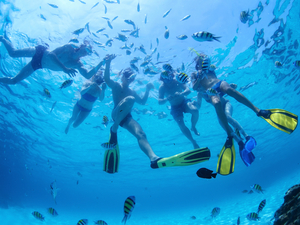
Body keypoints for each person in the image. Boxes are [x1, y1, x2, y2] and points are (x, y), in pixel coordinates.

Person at [191, 54, 298, 175]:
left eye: (202, 58)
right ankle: (239, 141)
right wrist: (199, 77)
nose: (201, 59)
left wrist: (206, 62)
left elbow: (211, 66)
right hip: (212, 92)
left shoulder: (209, 67)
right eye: (199, 59)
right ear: (196, 63)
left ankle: (257, 112)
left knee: (230, 90)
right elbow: (194, 87)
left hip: (219, 85)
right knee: (216, 105)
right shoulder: (195, 74)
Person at [101, 54, 211, 171]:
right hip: (116, 114)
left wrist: (147, 90)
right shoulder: (116, 86)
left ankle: (153, 158)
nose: (129, 79)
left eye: (131, 77)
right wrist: (108, 62)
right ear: (122, 76)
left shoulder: (132, 91)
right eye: (127, 76)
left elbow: (143, 102)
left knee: (141, 134)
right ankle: (114, 128)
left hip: (127, 117)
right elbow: (107, 79)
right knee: (130, 99)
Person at [194, 81, 256, 167]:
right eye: (197, 88)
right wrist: (194, 105)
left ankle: (247, 136)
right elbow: (199, 106)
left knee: (227, 117)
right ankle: (240, 143)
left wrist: (231, 86)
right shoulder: (199, 94)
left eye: (199, 86)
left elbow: (223, 88)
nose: (199, 88)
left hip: (227, 103)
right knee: (223, 124)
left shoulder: (209, 88)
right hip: (219, 112)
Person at [0, 35, 104, 85]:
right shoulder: (68, 48)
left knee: (13, 81)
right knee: (13, 53)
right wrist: (64, 69)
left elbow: (87, 75)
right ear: (81, 46)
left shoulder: (77, 64)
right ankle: (2, 38)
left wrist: (102, 63)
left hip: (39, 64)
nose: (86, 52)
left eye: (89, 52)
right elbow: (50, 55)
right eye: (87, 48)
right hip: (40, 52)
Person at [158, 65, 200, 149]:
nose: (168, 81)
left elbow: (188, 90)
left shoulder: (177, 81)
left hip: (184, 102)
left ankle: (193, 126)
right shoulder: (162, 87)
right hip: (174, 107)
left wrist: (181, 93)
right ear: (162, 79)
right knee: (180, 123)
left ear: (172, 76)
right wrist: (166, 98)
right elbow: (160, 101)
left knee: (195, 111)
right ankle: (193, 142)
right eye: (165, 79)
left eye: (169, 78)